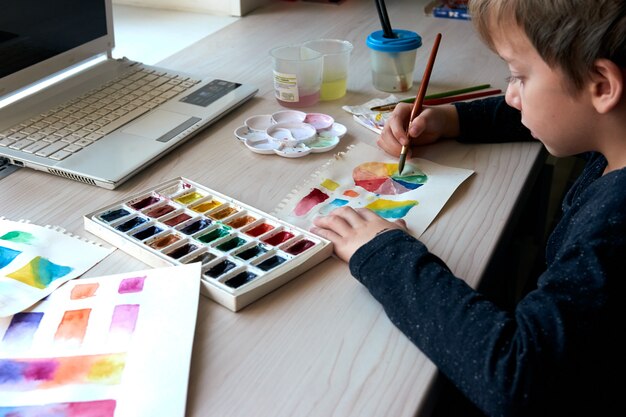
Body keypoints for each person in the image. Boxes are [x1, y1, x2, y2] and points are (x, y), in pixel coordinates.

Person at [311, 0, 626, 416]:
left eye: (518, 76)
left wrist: (384, 253)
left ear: (602, 85)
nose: (511, 97)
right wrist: (452, 118)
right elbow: (563, 107)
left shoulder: (613, 226)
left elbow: (514, 377)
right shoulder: (612, 135)